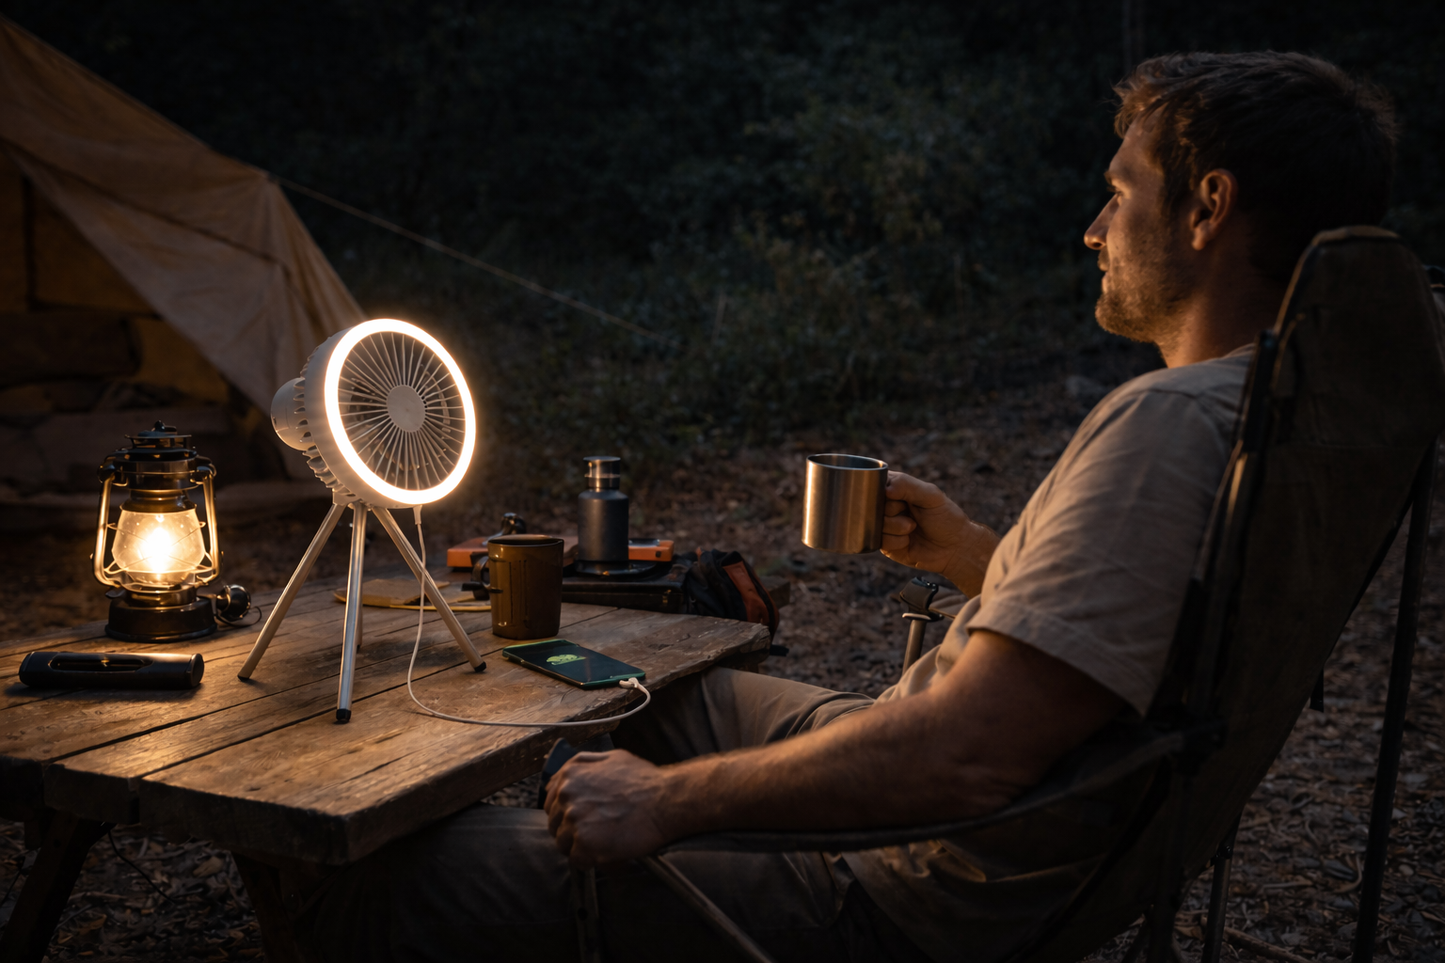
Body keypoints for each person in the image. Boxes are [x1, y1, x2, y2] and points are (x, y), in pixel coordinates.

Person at [306, 52, 1398, 963]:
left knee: (359, 885)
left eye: (1120, 192)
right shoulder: (1283, 411)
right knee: (645, 696)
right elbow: (1146, 642)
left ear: (1207, 208)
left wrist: (665, 807)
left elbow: (963, 756)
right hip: (1003, 817)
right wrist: (974, 556)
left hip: (905, 881)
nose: (1091, 227)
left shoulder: (1169, 423)